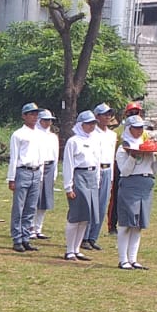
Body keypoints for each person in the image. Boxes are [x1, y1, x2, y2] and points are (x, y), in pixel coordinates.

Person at [113, 114, 157, 270]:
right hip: (130, 184)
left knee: (138, 225)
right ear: (129, 129)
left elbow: (154, 170)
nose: (138, 131)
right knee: (126, 224)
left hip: (145, 185)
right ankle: (123, 259)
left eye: (140, 128)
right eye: (135, 128)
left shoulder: (147, 146)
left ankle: (133, 259)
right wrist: (133, 156)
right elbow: (125, 171)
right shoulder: (124, 148)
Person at [61, 110, 102, 262]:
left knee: (86, 216)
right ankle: (69, 250)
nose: (91, 126)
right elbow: (68, 164)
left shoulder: (94, 140)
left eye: (93, 124)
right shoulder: (74, 141)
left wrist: (97, 182)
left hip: (91, 177)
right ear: (81, 125)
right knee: (76, 215)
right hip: (79, 176)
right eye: (88, 124)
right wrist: (68, 186)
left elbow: (97, 162)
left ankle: (77, 249)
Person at [6, 103, 42, 253]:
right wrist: (11, 177)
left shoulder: (40, 134)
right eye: (31, 114)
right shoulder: (18, 134)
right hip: (23, 170)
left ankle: (26, 237)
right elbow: (14, 157)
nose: (34, 117)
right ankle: (17, 238)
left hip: (36, 170)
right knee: (19, 207)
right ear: (24, 116)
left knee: (31, 207)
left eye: (35, 114)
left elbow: (41, 155)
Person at [83, 103, 117, 252]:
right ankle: (84, 237)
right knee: (90, 205)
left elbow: (111, 156)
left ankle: (93, 237)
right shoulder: (92, 133)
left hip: (107, 170)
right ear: (97, 117)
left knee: (102, 206)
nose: (108, 117)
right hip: (95, 170)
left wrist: (111, 177)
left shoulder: (112, 134)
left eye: (110, 114)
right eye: (105, 114)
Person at [32, 109, 58, 240]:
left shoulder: (53, 137)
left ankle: (38, 227)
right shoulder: (36, 135)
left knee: (45, 200)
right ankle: (31, 227)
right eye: (45, 120)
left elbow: (55, 155)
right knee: (35, 199)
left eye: (49, 120)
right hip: (39, 167)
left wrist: (55, 173)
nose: (48, 123)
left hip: (50, 166)